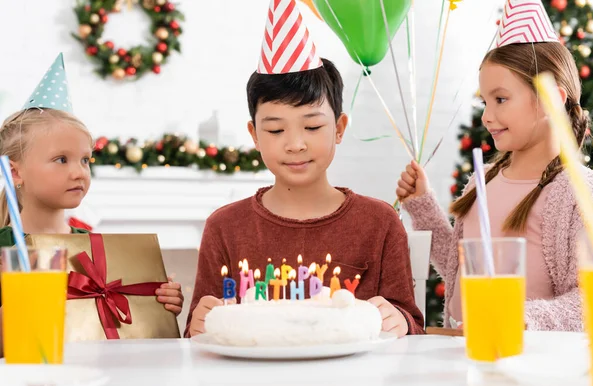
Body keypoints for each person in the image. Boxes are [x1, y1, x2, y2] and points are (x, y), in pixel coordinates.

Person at [184, 0, 423, 338]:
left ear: (339, 128)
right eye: (276, 130)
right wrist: (198, 324)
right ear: (254, 135)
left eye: (312, 127)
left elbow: (411, 324)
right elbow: (200, 333)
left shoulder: (378, 223)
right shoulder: (225, 228)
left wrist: (401, 321)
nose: (295, 144)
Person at [397, 0, 593, 331]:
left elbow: (589, 299)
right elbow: (463, 267)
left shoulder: (580, 192)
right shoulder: (483, 181)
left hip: (530, 363)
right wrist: (422, 207)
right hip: (464, 352)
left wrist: (518, 318)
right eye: (484, 102)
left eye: (501, 99)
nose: (487, 116)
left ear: (553, 98)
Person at [0, 54, 184, 356]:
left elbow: (122, 335)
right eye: (61, 160)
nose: (79, 172)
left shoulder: (97, 248)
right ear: (15, 171)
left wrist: (160, 302)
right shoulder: (3, 247)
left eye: (85, 160)